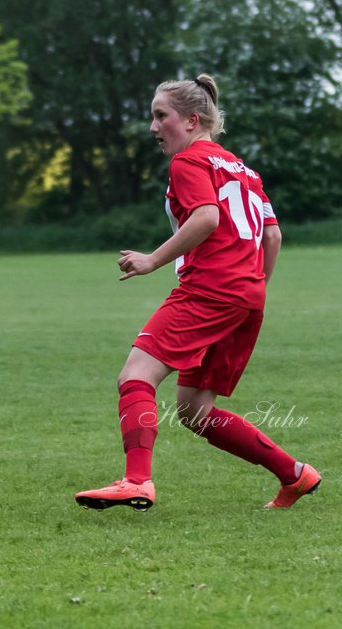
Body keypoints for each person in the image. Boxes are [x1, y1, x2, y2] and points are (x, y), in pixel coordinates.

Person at [74, 75, 319, 511]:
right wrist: (253, 285)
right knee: (194, 410)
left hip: (209, 289)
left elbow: (206, 217)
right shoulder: (244, 170)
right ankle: (295, 475)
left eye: (160, 115)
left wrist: (152, 260)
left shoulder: (189, 162)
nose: (153, 127)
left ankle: (136, 480)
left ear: (190, 120)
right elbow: (274, 236)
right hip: (247, 297)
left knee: (135, 376)